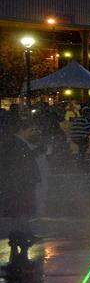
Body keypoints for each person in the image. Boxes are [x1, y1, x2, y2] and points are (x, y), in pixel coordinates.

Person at [1, 114, 42, 266]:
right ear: (23, 130)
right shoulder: (17, 144)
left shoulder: (15, 143)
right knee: (20, 211)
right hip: (20, 185)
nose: (33, 132)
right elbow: (19, 164)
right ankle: (20, 237)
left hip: (17, 185)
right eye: (31, 129)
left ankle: (20, 236)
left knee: (18, 212)